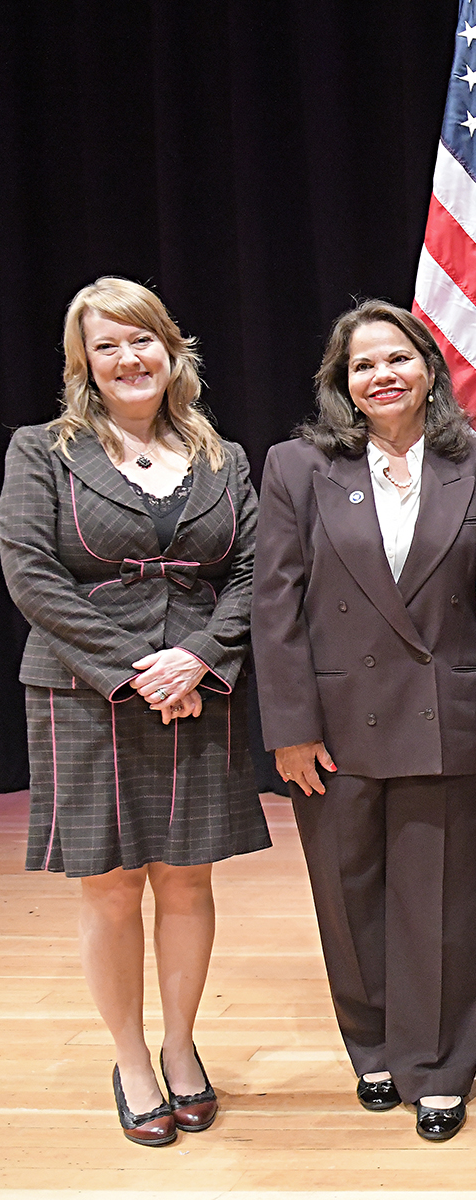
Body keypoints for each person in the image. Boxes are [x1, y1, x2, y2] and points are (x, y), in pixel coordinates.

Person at [0, 277, 264, 1147]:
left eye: (141, 339)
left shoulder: (221, 453)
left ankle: (182, 1047)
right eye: (106, 345)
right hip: (83, 693)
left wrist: (198, 656)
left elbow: (257, 571)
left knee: (187, 880)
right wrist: (132, 667)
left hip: (196, 688)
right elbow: (32, 575)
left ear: (171, 349)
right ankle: (131, 1061)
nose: (128, 358)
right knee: (110, 892)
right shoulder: (42, 450)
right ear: (84, 363)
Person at [252, 300, 476, 1143]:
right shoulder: (294, 468)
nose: (382, 375)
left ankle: (442, 1065)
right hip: (331, 720)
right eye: (363, 365)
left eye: (398, 359)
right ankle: (375, 1051)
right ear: (343, 384)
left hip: (445, 716)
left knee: (441, 901)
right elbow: (274, 603)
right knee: (350, 895)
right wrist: (289, 725)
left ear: (429, 369)